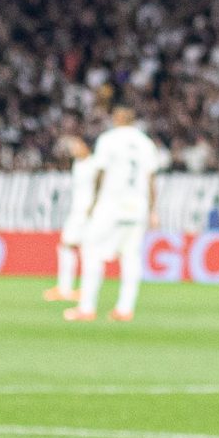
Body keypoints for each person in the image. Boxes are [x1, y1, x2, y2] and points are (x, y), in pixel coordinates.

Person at [66, 107, 167, 324]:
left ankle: (87, 307)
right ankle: (124, 309)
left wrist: (93, 202)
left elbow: (100, 173)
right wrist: (152, 210)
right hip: (137, 207)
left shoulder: (108, 140)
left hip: (111, 205)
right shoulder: (146, 143)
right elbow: (151, 179)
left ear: (117, 119)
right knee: (131, 257)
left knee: (91, 250)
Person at [44, 133, 99, 305]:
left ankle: (72, 289)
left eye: (77, 146)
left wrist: (94, 206)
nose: (73, 149)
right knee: (69, 247)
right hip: (77, 211)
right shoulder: (78, 164)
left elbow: (100, 186)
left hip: (86, 212)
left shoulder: (94, 164)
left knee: (75, 247)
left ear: (86, 147)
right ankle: (67, 289)